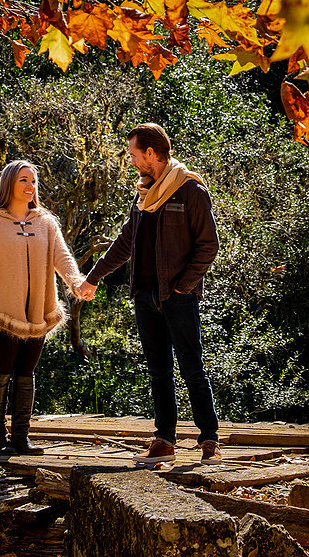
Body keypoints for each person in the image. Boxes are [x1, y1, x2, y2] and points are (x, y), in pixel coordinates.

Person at [78, 123, 221, 465]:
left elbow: (208, 246)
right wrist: (93, 278)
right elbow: (125, 242)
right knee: (159, 371)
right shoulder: (143, 196)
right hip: (144, 296)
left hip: (177, 297)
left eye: (133, 154)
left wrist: (181, 287)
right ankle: (164, 440)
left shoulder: (190, 191)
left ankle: (209, 439)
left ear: (151, 154)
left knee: (192, 368)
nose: (131, 161)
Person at [0, 160, 85, 456]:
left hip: (38, 311)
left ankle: (21, 437)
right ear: (9, 184)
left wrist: (76, 282)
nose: (31, 186)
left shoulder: (46, 221)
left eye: (33, 181)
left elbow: (62, 256)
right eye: (24, 180)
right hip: (1, 312)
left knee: (26, 373)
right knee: (2, 371)